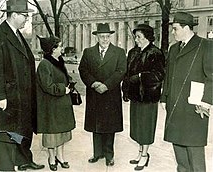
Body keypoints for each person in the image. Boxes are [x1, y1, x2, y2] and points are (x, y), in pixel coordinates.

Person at [0, 0, 45, 171]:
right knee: (7, 134)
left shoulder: (17, 34)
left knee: (21, 130)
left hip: (22, 96)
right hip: (8, 97)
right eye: (24, 15)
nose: (27, 19)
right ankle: (7, 168)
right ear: (13, 15)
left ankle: (23, 160)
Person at [160, 11, 213, 172]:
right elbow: (168, 75)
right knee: (180, 156)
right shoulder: (174, 48)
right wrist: (164, 98)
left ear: (186, 28)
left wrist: (206, 102)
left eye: (175, 28)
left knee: (195, 154)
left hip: (195, 109)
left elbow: (212, 76)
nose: (173, 32)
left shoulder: (206, 46)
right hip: (175, 106)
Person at [78, 23, 127, 166]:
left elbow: (121, 71)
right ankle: (97, 153)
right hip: (94, 94)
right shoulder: (88, 52)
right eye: (102, 36)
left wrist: (106, 85)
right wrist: (94, 83)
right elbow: (83, 70)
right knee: (95, 125)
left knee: (110, 126)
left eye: (107, 36)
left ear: (110, 37)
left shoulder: (119, 52)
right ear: (97, 37)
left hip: (110, 94)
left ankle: (109, 155)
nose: (105, 39)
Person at [122, 24, 165, 171]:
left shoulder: (155, 53)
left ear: (147, 37)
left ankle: (145, 155)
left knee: (146, 127)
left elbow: (159, 75)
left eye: (139, 37)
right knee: (137, 126)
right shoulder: (133, 52)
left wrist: (141, 77)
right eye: (136, 36)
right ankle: (140, 153)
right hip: (135, 96)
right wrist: (126, 89)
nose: (136, 39)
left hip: (148, 97)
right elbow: (127, 74)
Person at [36, 36, 76, 171]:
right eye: (59, 46)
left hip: (62, 103)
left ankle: (60, 156)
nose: (62, 48)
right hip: (51, 105)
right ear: (53, 49)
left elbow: (62, 77)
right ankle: (52, 158)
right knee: (52, 134)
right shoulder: (44, 64)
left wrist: (69, 82)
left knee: (62, 132)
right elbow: (47, 85)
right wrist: (62, 89)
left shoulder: (58, 60)